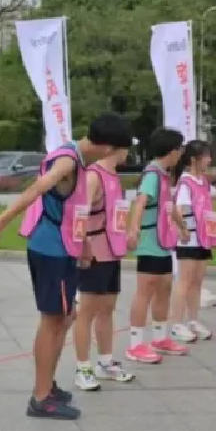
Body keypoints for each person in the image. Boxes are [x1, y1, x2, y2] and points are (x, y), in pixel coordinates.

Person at [0, 113, 133, 420]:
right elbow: (37, 188)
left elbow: (73, 211)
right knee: (53, 321)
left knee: (66, 316)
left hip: (63, 247)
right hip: (50, 250)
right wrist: (1, 221)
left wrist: (84, 247)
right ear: (109, 148)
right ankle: (41, 397)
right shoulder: (69, 162)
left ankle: (47, 385)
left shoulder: (78, 160)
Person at [72, 148, 136, 390]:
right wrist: (83, 246)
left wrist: (127, 234)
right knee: (86, 311)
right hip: (94, 253)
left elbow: (116, 213)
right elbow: (79, 215)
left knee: (107, 309)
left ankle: (106, 362)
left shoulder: (114, 176)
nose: (128, 152)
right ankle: (83, 368)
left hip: (112, 251)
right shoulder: (93, 176)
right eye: (126, 146)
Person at [124, 128, 187, 363]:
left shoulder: (163, 175)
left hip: (163, 243)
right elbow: (140, 203)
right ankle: (135, 344)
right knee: (146, 291)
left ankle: (161, 338)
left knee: (164, 288)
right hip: (150, 242)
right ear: (170, 151)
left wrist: (182, 227)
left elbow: (168, 206)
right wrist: (134, 229)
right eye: (179, 149)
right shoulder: (152, 174)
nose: (181, 153)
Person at [168, 140, 216, 343]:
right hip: (189, 239)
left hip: (203, 238)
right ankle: (177, 324)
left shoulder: (202, 181)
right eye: (206, 156)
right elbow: (178, 211)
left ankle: (193, 321)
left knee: (197, 282)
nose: (209, 159)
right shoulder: (186, 183)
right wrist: (182, 230)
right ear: (194, 159)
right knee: (184, 282)